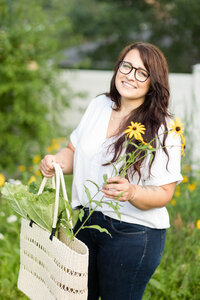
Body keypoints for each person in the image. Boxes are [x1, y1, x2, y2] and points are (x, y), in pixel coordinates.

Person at [40, 41, 183, 300]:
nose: (130, 75)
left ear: (154, 81)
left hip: (132, 233)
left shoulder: (163, 127)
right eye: (126, 66)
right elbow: (73, 151)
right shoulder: (99, 105)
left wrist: (132, 192)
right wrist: (56, 162)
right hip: (86, 222)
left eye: (142, 72)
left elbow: (164, 192)